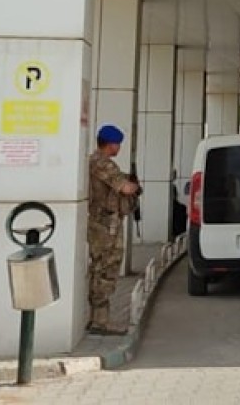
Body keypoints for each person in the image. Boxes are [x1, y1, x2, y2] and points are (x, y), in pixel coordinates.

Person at [86, 124, 140, 336]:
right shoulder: (102, 163)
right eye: (118, 144)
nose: (119, 148)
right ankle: (100, 321)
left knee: (101, 268)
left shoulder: (96, 162)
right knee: (106, 268)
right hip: (105, 225)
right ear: (111, 144)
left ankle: (97, 319)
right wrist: (134, 187)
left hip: (105, 223)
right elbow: (125, 188)